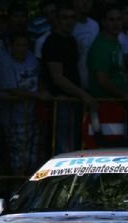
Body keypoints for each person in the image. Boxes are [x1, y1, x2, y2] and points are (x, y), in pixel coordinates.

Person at [42, 0, 98, 154]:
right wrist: (83, 94)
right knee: (64, 148)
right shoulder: (53, 42)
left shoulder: (72, 40)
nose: (69, 21)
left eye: (72, 17)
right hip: (61, 103)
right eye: (65, 17)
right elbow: (57, 77)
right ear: (58, 20)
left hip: (73, 101)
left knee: (73, 145)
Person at [0, 32, 47, 176]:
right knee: (18, 160)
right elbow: (12, 89)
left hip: (33, 117)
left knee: (34, 159)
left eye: (24, 45)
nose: (22, 48)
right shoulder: (6, 63)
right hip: (15, 119)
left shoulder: (32, 59)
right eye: (18, 45)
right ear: (11, 47)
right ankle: (16, 191)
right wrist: (38, 95)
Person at [86, 4, 128, 147]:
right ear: (104, 22)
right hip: (104, 107)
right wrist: (123, 95)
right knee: (105, 149)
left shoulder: (116, 43)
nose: (116, 23)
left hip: (116, 106)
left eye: (119, 19)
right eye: (111, 20)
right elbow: (102, 79)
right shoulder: (101, 46)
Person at [72, 0, 99, 89]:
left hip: (94, 83)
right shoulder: (69, 25)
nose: (85, 3)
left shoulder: (95, 25)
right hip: (74, 84)